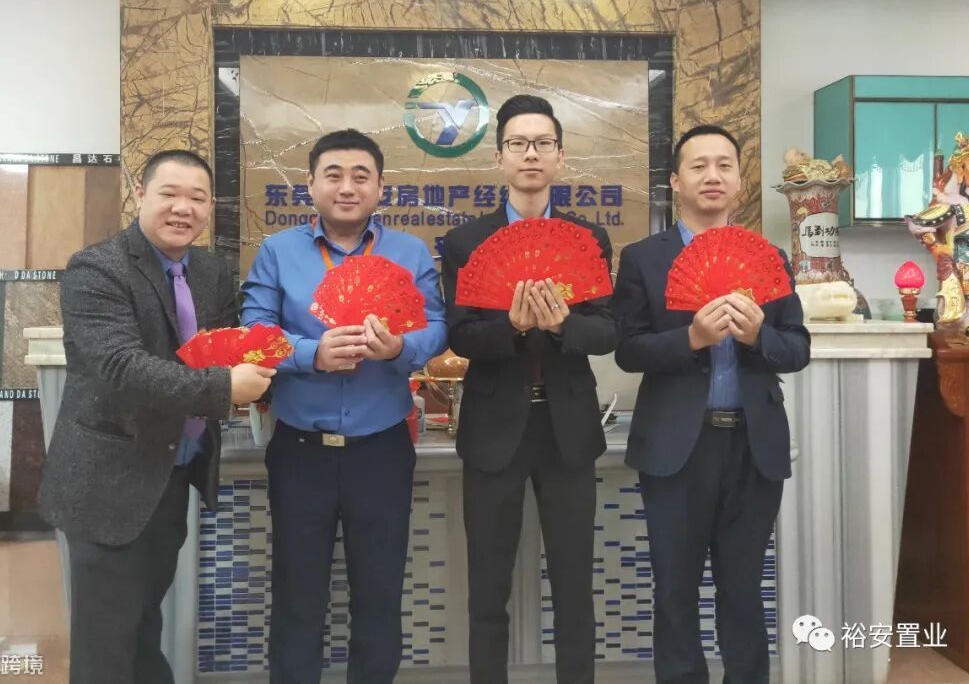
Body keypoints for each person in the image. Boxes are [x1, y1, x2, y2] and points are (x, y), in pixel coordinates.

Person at [39, 149, 274, 684]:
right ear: (140, 194)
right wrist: (225, 388)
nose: (182, 208)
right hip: (107, 482)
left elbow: (228, 345)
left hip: (172, 474)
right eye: (169, 194)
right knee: (106, 645)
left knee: (144, 623)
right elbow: (120, 366)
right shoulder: (96, 267)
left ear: (210, 207)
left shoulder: (211, 272)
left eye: (197, 198)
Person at [241, 129, 448, 684]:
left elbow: (436, 325)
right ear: (310, 185)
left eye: (361, 176)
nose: (347, 187)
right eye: (333, 175)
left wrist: (400, 347)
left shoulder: (409, 253)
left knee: (379, 595)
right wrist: (311, 353)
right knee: (297, 594)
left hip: (381, 451)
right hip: (300, 450)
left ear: (380, 188)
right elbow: (254, 331)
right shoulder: (277, 252)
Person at [612, 124, 810, 683]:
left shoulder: (769, 257)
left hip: (753, 446)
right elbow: (627, 349)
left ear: (740, 181)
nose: (713, 176)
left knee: (743, 588)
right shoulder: (644, 259)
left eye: (725, 165)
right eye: (699, 166)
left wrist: (758, 337)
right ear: (676, 182)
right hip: (677, 447)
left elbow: (797, 348)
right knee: (675, 589)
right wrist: (691, 338)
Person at [440, 94, 618, 684]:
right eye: (518, 143)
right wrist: (513, 328)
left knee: (574, 586)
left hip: (568, 429)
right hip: (494, 430)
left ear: (560, 156)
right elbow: (461, 336)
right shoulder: (466, 242)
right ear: (499, 158)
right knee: (488, 588)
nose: (531, 154)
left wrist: (564, 325)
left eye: (543, 143)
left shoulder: (589, 237)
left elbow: (607, 332)